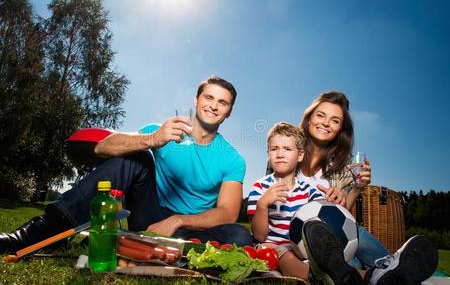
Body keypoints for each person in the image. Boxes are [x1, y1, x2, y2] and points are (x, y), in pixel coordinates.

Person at [0, 76, 253, 254]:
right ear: (197, 100)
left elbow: (228, 213)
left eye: (223, 102)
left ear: (228, 111)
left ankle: (155, 249)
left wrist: (178, 220)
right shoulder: (162, 131)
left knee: (240, 235)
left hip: (186, 229)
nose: (213, 105)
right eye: (209, 97)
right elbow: (102, 148)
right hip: (148, 215)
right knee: (138, 156)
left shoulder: (232, 158)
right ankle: (41, 232)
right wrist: (151, 140)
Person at [294, 91, 437, 283]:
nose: (326, 123)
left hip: (337, 237)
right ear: (309, 118)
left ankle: (392, 267)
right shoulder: (287, 150)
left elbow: (342, 217)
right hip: (305, 238)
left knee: (354, 235)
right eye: (320, 115)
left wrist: (356, 188)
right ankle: (380, 271)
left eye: (335, 120)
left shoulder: (342, 169)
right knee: (346, 256)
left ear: (340, 129)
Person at [247, 122, 342, 280]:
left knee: (330, 259)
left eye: (287, 149)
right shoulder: (260, 187)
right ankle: (319, 279)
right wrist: (262, 205)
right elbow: (259, 236)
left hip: (302, 247)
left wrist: (334, 198)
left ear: (300, 155)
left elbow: (324, 219)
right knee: (285, 256)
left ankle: (371, 275)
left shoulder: (308, 190)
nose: (280, 154)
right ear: (268, 154)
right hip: (272, 246)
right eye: (274, 148)